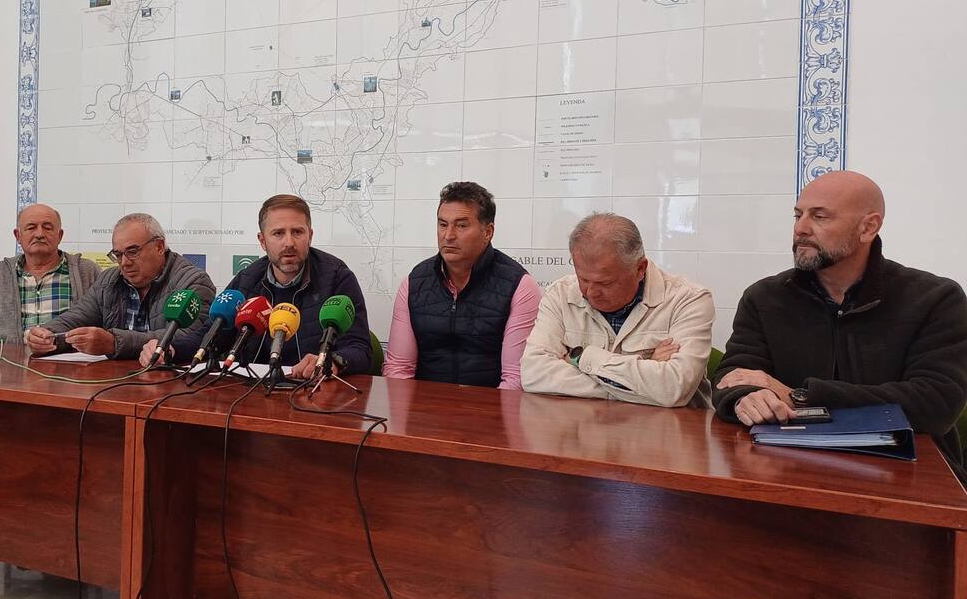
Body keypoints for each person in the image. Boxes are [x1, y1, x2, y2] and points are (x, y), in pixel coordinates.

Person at [713, 170, 967, 461]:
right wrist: (746, 399)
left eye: (820, 216)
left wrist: (800, 396)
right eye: (798, 215)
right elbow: (732, 377)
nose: (801, 228)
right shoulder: (764, 297)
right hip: (787, 463)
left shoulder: (936, 299)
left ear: (868, 227)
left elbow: (935, 404)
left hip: (909, 468)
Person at [141, 194, 372, 378]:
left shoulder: (336, 277)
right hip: (253, 393)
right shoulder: (247, 279)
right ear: (262, 241)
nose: (289, 242)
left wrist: (332, 361)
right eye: (278, 233)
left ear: (309, 236)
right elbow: (210, 336)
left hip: (313, 394)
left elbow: (359, 348)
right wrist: (168, 348)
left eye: (297, 232)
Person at [521, 213, 714, 408]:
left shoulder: (688, 300)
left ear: (640, 268)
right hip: (583, 422)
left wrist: (581, 358)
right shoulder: (560, 294)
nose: (591, 292)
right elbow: (533, 373)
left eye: (605, 283)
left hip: (671, 426)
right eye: (583, 279)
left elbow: (673, 389)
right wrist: (640, 381)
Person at [383, 181, 540, 389]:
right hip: (425, 405)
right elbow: (398, 368)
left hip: (490, 405)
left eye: (461, 225)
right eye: (443, 224)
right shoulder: (414, 283)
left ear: (488, 232)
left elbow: (515, 379)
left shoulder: (519, 286)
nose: (448, 235)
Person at [26, 212, 214, 359]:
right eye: (118, 255)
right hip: (115, 382)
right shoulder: (109, 279)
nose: (124, 262)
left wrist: (114, 343)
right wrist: (48, 335)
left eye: (132, 252)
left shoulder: (192, 282)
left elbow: (189, 339)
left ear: (159, 247)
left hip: (168, 384)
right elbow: (77, 316)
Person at [0, 203, 100, 343]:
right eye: (31, 227)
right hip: (9, 356)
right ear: (18, 235)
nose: (39, 234)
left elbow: (104, 324)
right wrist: (3, 354)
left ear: (60, 235)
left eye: (47, 228)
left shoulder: (87, 271)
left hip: (70, 356)